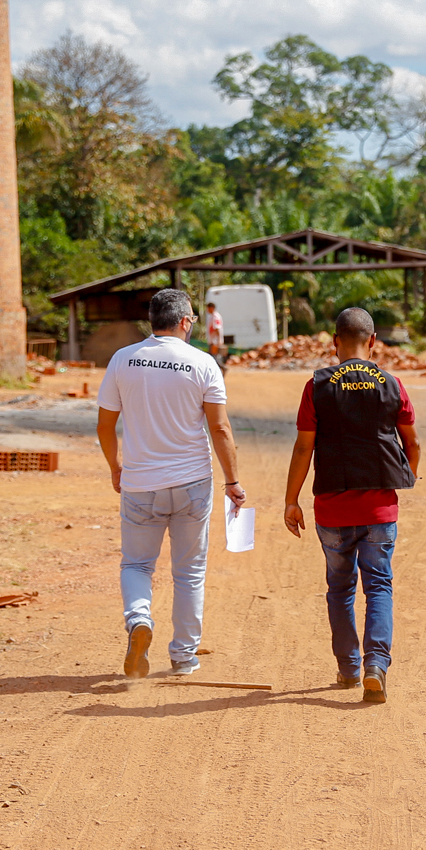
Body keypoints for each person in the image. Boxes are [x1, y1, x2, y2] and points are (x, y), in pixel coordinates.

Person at [97, 288, 246, 679]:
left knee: (137, 564)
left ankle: (139, 620)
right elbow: (219, 427)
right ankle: (183, 657)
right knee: (190, 572)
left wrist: (116, 466)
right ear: (184, 322)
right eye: (193, 318)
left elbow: (105, 424)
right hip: (192, 483)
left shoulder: (122, 360)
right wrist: (232, 480)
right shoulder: (203, 363)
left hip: (140, 482)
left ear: (152, 321)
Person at [282, 307, 420, 703]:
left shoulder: (317, 386)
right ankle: (376, 664)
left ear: (334, 343)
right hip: (380, 508)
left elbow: (304, 445)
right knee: (378, 585)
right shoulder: (392, 385)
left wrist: (292, 500)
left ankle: (349, 667)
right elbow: (413, 442)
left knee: (340, 588)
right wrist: (404, 477)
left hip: (332, 510)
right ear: (373, 341)